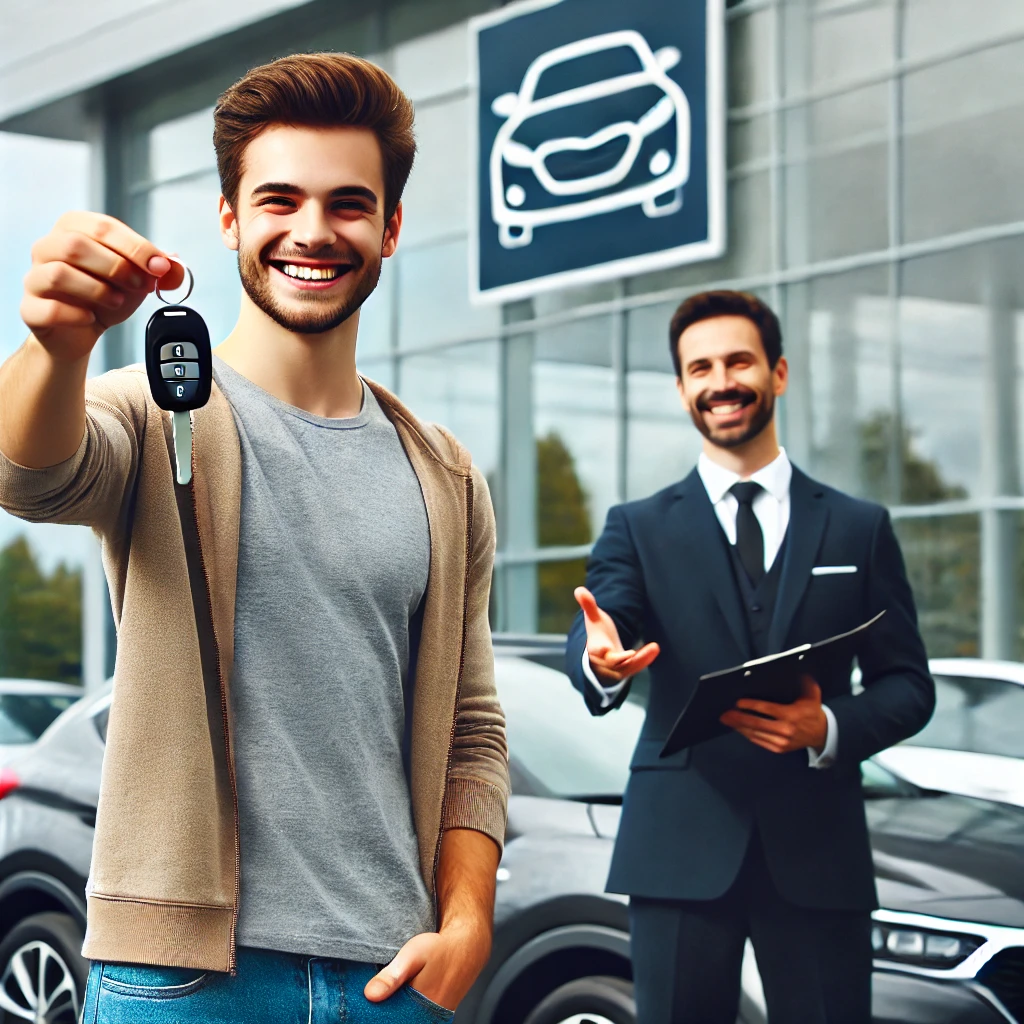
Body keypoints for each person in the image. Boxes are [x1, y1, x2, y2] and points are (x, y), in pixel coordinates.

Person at [0, 53, 508, 1024]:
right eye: (279, 199)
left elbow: (472, 732)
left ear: (390, 228)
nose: (313, 231)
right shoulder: (156, 410)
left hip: (389, 980)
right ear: (231, 217)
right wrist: (54, 347)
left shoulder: (442, 472)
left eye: (349, 204)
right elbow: (30, 470)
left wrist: (468, 920)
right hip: (183, 984)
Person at [564, 290, 934, 1024]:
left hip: (819, 849)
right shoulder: (637, 528)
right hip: (678, 847)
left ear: (779, 373)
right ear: (681, 389)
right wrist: (599, 659)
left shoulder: (859, 529)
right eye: (700, 368)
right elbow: (604, 621)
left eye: (739, 361)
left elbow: (908, 685)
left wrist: (826, 727)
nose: (720, 381)